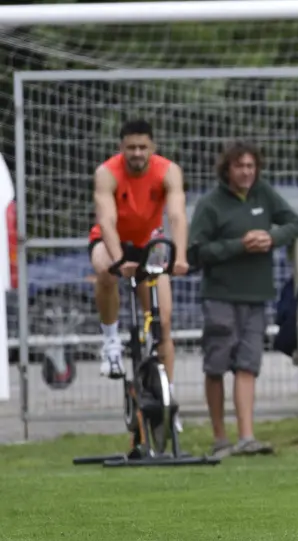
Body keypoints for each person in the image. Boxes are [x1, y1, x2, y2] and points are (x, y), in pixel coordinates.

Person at [189, 140, 298, 458]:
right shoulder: (210, 204)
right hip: (220, 296)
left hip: (256, 296)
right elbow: (196, 252)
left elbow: (297, 224)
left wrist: (272, 238)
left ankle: (246, 436)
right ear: (227, 169)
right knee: (216, 367)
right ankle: (220, 438)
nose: (246, 172)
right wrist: (239, 245)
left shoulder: (263, 194)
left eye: (251, 166)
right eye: (239, 166)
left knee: (248, 365)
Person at [89, 119, 189, 413]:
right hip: (112, 240)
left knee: (163, 322)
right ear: (121, 148)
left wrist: (180, 256)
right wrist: (120, 259)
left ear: (152, 148)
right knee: (105, 269)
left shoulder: (168, 171)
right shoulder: (107, 173)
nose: (137, 153)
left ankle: (167, 399)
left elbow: (177, 216)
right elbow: (106, 220)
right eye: (130, 147)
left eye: (142, 147)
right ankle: (110, 344)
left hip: (148, 242)